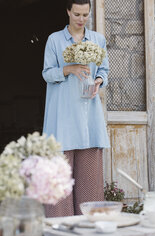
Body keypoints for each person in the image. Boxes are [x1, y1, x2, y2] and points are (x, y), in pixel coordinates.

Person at [42, 0, 110, 217]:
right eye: (77, 14)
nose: (81, 20)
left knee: (89, 183)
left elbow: (104, 69)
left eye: (85, 15)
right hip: (61, 118)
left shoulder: (98, 40)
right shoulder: (54, 40)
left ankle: (88, 230)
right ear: (68, 12)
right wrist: (68, 69)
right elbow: (47, 74)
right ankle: (59, 229)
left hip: (88, 118)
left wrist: (99, 80)